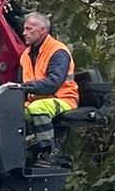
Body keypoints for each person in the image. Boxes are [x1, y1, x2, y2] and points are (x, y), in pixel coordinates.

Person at [17, 11, 78, 156]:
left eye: (29, 29)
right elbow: (20, 84)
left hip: (63, 99)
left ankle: (48, 152)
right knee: (11, 112)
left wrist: (23, 88)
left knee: (38, 108)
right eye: (24, 29)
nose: (24, 33)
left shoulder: (58, 51)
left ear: (42, 30)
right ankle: (19, 155)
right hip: (35, 101)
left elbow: (52, 84)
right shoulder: (25, 56)